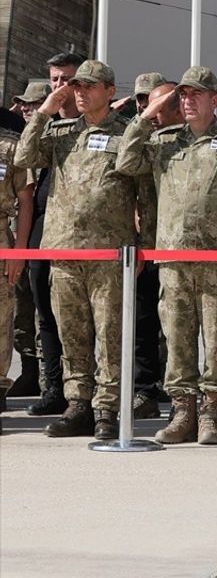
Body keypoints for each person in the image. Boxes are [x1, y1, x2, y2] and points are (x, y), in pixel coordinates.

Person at [117, 66, 217, 445]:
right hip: (174, 258)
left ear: (215, 99)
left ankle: (210, 413)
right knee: (178, 338)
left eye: (196, 94)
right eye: (182, 94)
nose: (188, 100)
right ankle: (182, 412)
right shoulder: (164, 141)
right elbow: (125, 162)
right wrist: (148, 114)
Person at [15, 59, 153, 440]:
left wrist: (143, 245)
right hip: (63, 250)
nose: (80, 91)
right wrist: (44, 110)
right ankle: (78, 403)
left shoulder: (126, 134)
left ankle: (107, 409)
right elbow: (23, 157)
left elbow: (145, 194)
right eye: (77, 85)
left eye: (89, 85)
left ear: (109, 91)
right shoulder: (60, 133)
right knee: (71, 333)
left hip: (109, 253)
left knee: (110, 334)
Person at [23, 52, 85, 418]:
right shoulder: (44, 125)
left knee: (81, 314)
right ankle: (53, 388)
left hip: (83, 231)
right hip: (44, 225)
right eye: (56, 80)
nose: (62, 87)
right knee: (45, 312)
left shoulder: (96, 125)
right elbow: (24, 159)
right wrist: (44, 112)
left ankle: (84, 391)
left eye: (69, 80)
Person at [128, 72, 171, 418]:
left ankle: (178, 390)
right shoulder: (147, 143)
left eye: (161, 103)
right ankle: (144, 390)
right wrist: (142, 120)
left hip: (181, 247)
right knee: (144, 321)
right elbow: (125, 163)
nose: (153, 110)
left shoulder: (191, 142)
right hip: (146, 244)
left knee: (177, 325)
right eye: (146, 102)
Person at [7, 81, 49, 400]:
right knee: (22, 306)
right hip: (16, 232)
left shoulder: (47, 141)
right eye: (24, 105)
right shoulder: (17, 140)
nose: (26, 109)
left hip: (41, 230)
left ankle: (48, 374)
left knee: (41, 307)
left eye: (33, 104)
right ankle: (29, 370)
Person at [0, 125, 35, 422]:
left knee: (0, 320)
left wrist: (19, 250)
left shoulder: (10, 147)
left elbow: (25, 200)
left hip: (1, 238)